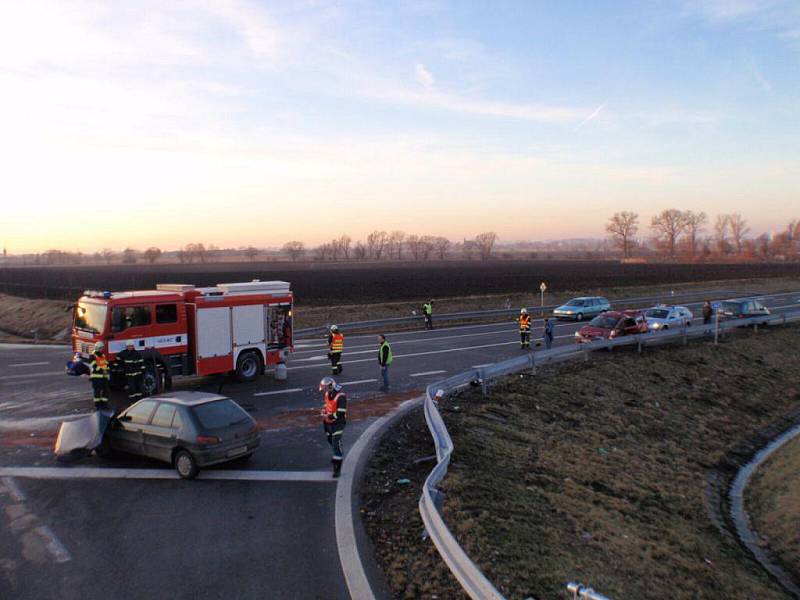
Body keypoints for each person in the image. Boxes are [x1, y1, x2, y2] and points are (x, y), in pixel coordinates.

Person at [319, 376, 347, 478]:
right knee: (330, 440)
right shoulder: (327, 394)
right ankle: (337, 454)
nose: (325, 390)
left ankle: (337, 468)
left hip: (338, 423)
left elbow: (341, 412)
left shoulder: (341, 396)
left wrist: (330, 416)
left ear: (331, 386)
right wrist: (323, 410)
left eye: (326, 388)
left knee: (335, 443)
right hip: (327, 423)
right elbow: (326, 405)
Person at [88, 341, 111, 411]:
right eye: (101, 348)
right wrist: (103, 370)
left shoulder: (102, 355)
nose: (102, 349)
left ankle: (104, 405)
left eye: (102, 348)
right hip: (96, 377)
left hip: (104, 377)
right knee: (97, 392)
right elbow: (94, 366)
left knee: (106, 391)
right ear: (97, 348)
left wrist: (108, 369)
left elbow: (105, 364)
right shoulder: (92, 356)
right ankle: (97, 406)